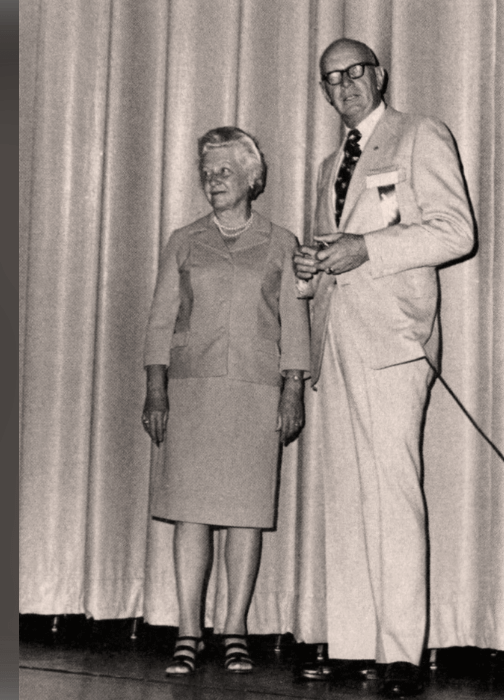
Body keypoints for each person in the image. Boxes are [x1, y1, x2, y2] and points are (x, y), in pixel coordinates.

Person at [291, 38, 476, 698]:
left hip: (396, 344)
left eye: (353, 73)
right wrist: (311, 270)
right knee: (345, 495)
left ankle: (400, 653)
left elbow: (456, 231)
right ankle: (351, 645)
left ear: (380, 75)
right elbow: (330, 253)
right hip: (335, 344)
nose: (343, 86)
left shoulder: (419, 135)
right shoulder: (326, 164)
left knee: (393, 495)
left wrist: (365, 247)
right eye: (330, 80)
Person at [143, 126, 310, 676]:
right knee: (191, 512)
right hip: (191, 390)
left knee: (244, 514)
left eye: (224, 171)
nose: (213, 180)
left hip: (258, 392)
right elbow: (161, 318)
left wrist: (292, 389)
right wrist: (156, 386)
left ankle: (235, 628)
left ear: (251, 178)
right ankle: (189, 630)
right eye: (207, 171)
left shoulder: (282, 241)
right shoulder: (184, 240)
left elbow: (295, 322)